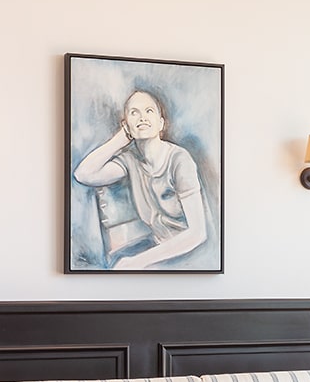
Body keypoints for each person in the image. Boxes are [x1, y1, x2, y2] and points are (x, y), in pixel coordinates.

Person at [72, 88, 208, 269]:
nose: (142, 118)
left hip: (193, 253)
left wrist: (139, 261)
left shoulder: (179, 160)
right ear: (125, 124)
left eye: (149, 111)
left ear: (161, 124)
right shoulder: (130, 159)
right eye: (134, 113)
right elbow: (83, 174)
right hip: (158, 248)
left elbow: (197, 234)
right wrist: (122, 138)